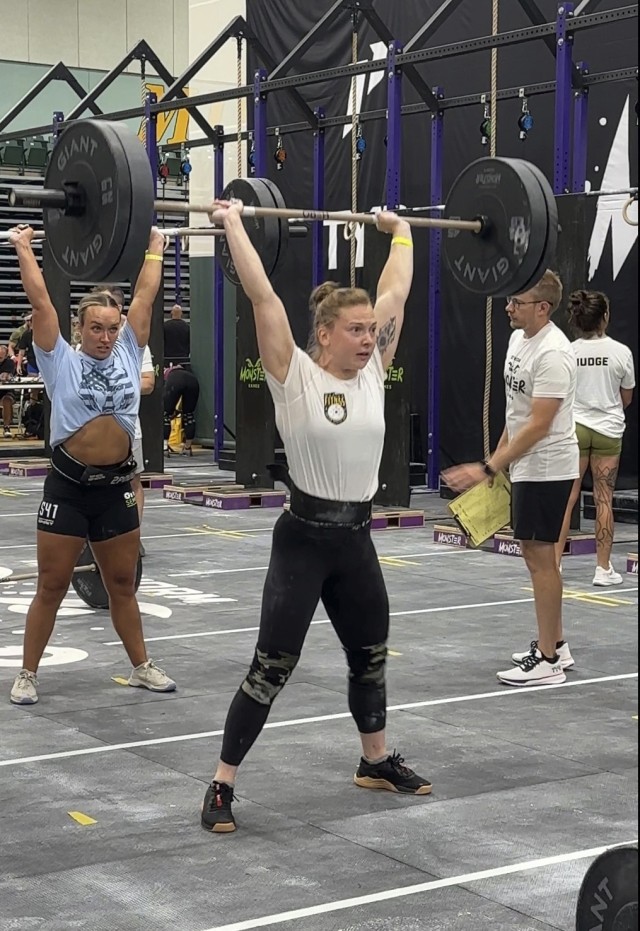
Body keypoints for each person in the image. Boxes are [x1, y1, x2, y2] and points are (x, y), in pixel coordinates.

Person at [199, 198, 431, 835]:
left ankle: (375, 761)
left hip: (356, 540)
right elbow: (263, 297)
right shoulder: (294, 376)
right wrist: (233, 225)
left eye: (370, 329)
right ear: (325, 334)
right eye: (355, 330)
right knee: (271, 668)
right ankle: (221, 786)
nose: (368, 338)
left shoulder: (374, 374)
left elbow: (397, 289)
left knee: (371, 658)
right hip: (302, 542)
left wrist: (402, 233)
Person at [7, 223, 175, 706]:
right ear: (80, 329)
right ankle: (28, 673)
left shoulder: (128, 349)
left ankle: (141, 666)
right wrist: (22, 248)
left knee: (122, 584)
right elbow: (41, 303)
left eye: (112, 326)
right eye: (96, 328)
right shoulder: (59, 359)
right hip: (69, 488)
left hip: (115, 487)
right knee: (52, 585)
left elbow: (145, 295)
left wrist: (156, 248)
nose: (105, 336)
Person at [442, 270, 579, 687]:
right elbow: (516, 412)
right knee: (535, 559)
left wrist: (487, 468)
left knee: (542, 562)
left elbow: (539, 424)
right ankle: (555, 643)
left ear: (542, 307)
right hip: (524, 466)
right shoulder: (520, 340)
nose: (508, 308)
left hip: (549, 467)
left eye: (516, 303)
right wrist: (497, 460)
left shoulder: (554, 352)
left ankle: (549, 660)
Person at [555, 290, 635, 585]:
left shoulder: (568, 351)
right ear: (605, 317)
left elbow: (560, 394)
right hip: (608, 431)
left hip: (574, 428)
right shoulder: (621, 353)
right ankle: (603, 569)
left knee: (566, 498)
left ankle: (555, 566)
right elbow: (626, 398)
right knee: (604, 498)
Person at [90, 286, 155, 553]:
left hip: (128, 430)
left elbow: (149, 383)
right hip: (92, 429)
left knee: (132, 482)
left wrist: (116, 386)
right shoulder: (85, 344)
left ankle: (132, 537)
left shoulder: (134, 344)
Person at [163, 365, 200, 456]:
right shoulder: (187, 371)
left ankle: (164, 448)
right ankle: (187, 448)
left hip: (174, 380)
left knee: (165, 415)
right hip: (193, 381)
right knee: (189, 415)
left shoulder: (165, 374)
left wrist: (170, 409)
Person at [0, 344, 17, 438]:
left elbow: (6, 376)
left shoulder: (9, 363)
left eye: (0, 357)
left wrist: (5, 376)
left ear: (6, 356)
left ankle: (6, 427)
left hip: (6, 391)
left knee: (7, 400)